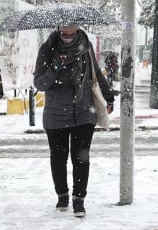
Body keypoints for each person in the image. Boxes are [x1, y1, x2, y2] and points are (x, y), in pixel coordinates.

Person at [33, 24, 115, 217]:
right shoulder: (48, 49)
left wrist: (108, 96)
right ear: (59, 26)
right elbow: (40, 83)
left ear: (78, 26)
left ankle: (79, 200)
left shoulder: (85, 46)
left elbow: (96, 74)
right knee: (59, 158)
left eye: (73, 24)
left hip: (84, 112)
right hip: (55, 114)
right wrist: (55, 68)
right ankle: (62, 195)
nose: (69, 28)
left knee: (81, 158)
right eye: (66, 24)